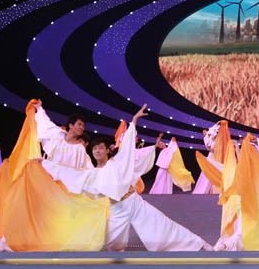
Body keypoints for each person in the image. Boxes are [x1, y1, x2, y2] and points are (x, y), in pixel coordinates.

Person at [40, 105, 211, 251]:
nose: (98, 151)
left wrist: (134, 121)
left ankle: (200, 244)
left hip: (134, 202)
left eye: (101, 148)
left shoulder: (117, 161)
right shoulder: (93, 172)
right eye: (95, 149)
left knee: (165, 227)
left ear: (108, 150)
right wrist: (44, 164)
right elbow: (72, 174)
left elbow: (129, 145)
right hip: (117, 209)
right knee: (108, 245)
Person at [32, 100, 93, 170]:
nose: (82, 127)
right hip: (49, 177)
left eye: (83, 126)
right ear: (71, 126)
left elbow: (84, 170)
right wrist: (39, 108)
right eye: (79, 124)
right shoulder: (57, 137)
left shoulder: (80, 148)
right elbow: (46, 124)